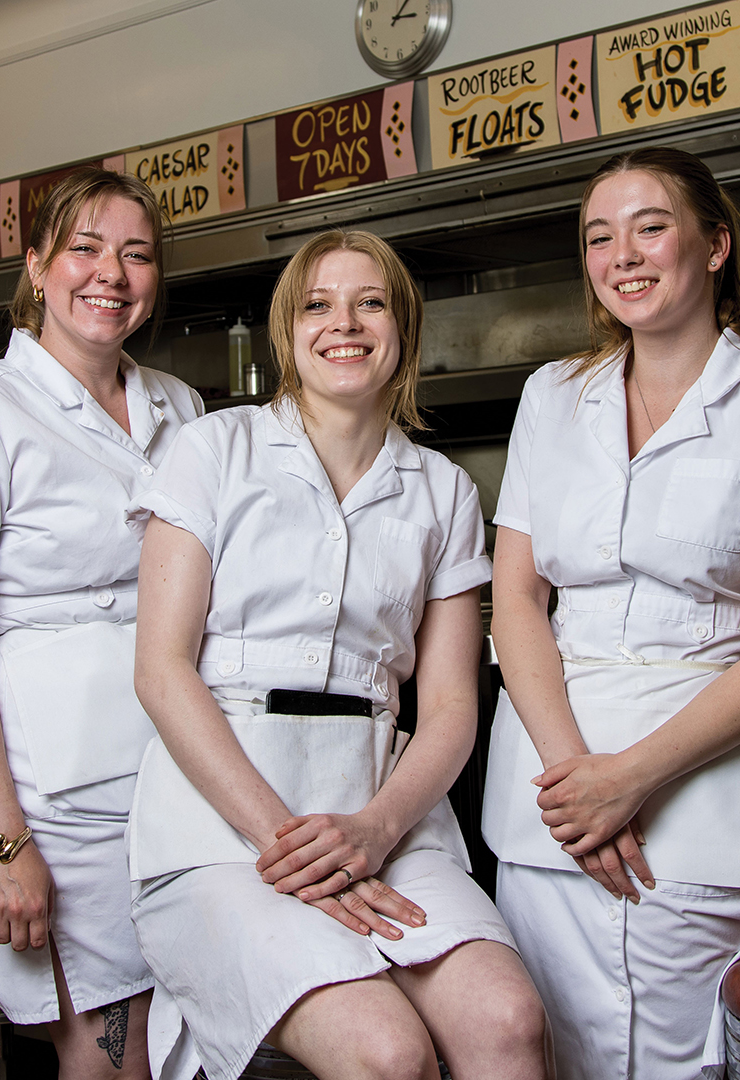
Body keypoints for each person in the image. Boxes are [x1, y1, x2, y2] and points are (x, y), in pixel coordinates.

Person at [483, 146, 740, 1080]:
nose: (624, 253)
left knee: (683, 1061)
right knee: (552, 1052)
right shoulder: (552, 397)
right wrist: (582, 778)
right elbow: (517, 603)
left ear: (714, 246)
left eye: (651, 226)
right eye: (599, 236)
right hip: (550, 804)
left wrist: (632, 780)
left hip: (704, 809)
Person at [128, 229, 552, 1080]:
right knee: (386, 1050)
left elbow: (453, 709)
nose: (344, 323)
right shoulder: (216, 449)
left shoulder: (445, 490)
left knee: (508, 1021)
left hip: (384, 818)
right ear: (288, 331)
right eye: (318, 304)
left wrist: (373, 829)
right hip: (222, 830)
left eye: (370, 302)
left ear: (404, 328)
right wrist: (286, 843)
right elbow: (162, 670)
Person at [0, 166, 202, 1078]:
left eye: (137, 254)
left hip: (178, 781)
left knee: (186, 1047)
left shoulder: (184, 409)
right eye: (86, 248)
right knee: (111, 1060)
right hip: (46, 796)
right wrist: (2, 840)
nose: (112, 274)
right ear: (37, 264)